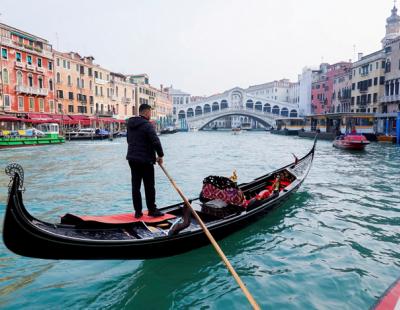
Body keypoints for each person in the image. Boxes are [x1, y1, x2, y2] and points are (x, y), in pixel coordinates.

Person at [126, 103, 164, 218]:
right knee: (149, 186)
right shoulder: (147, 125)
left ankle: (138, 212)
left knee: (135, 186)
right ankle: (152, 210)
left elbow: (128, 140)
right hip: (145, 160)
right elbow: (155, 141)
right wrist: (160, 156)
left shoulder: (130, 124)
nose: (150, 115)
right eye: (150, 112)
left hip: (132, 158)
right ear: (146, 112)